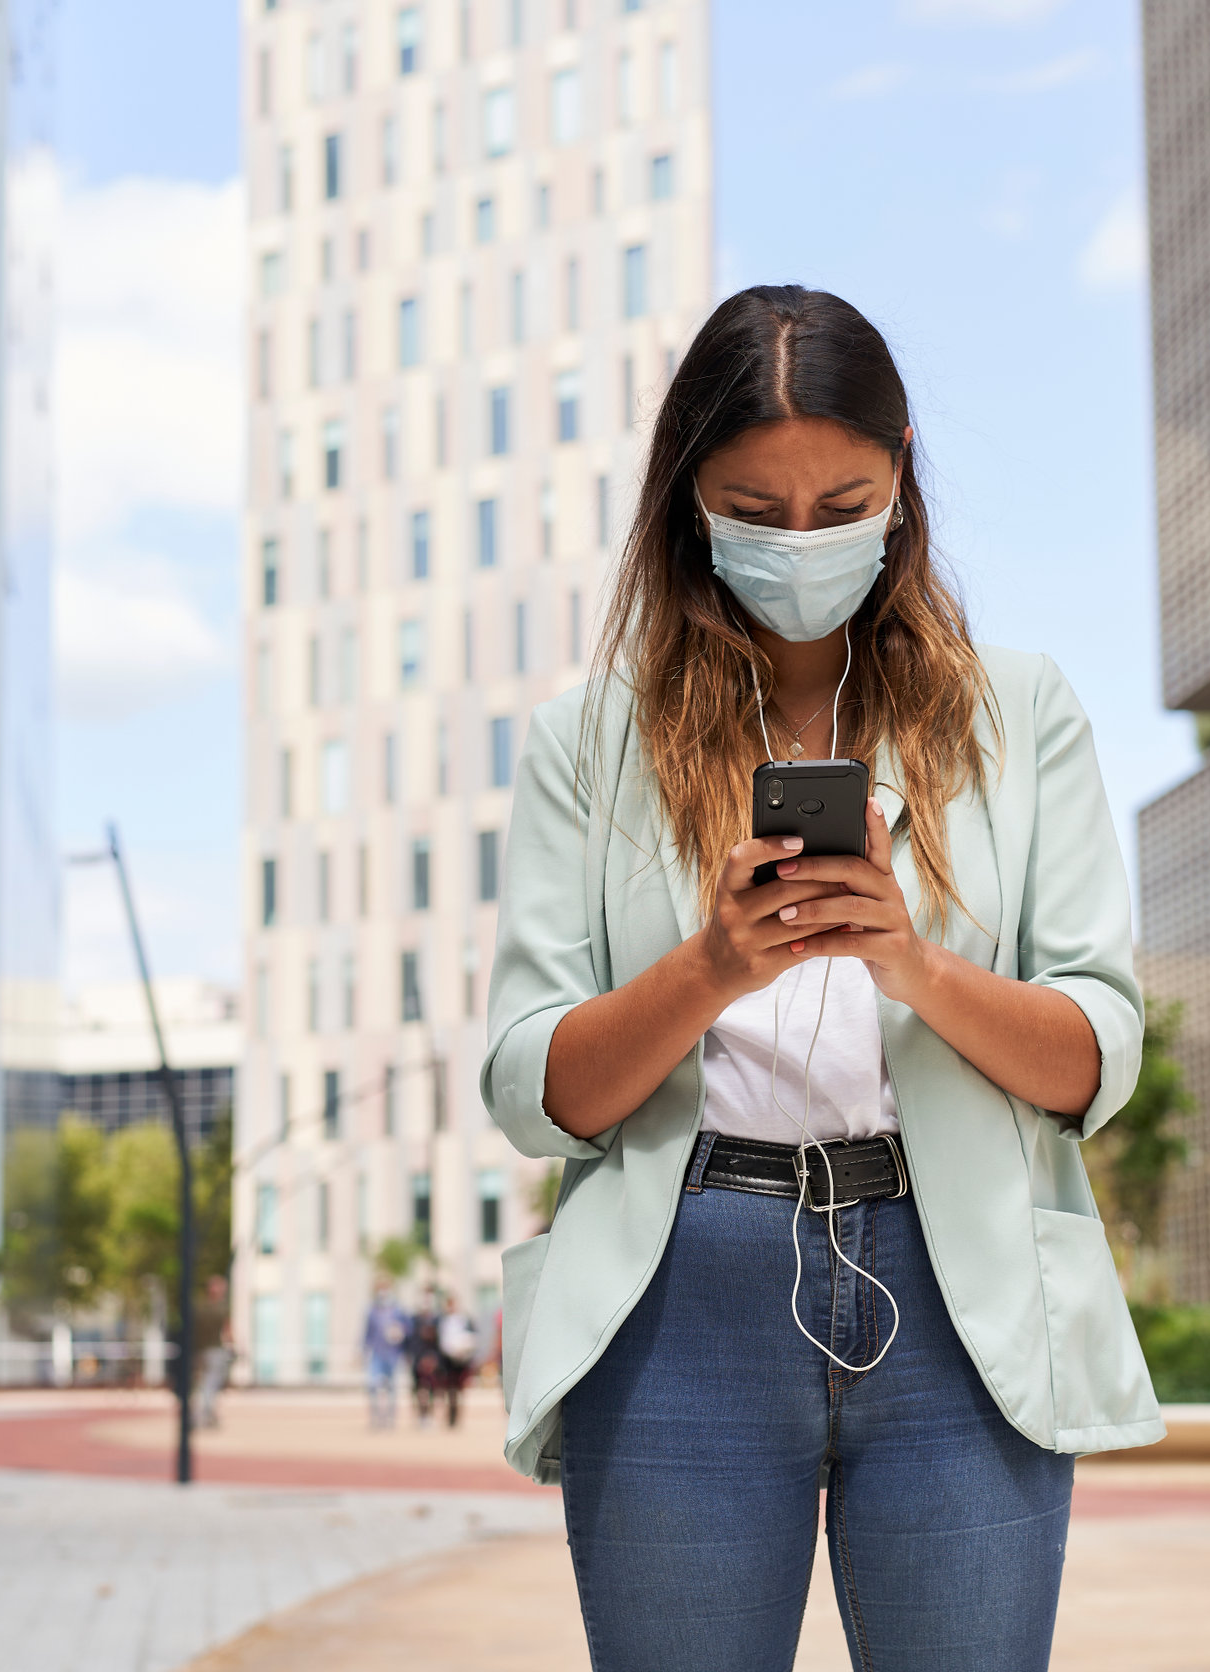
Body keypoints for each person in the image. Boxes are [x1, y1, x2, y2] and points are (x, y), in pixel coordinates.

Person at [482, 286, 1160, 1670]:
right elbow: (535, 1091)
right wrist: (711, 967)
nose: (805, 543)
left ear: (902, 470)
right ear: (689, 499)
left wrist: (908, 962)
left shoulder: (1019, 712)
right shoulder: (588, 745)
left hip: (953, 1279)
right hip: (683, 1293)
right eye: (758, 510)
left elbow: (1094, 1056)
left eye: (842, 502)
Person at [195, 1274, 237, 1430]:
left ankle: (204, 1414)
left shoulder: (199, 1306)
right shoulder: (221, 1308)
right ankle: (207, 1414)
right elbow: (228, 1330)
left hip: (200, 1351)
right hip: (214, 1351)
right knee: (211, 1384)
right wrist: (233, 1347)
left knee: (203, 1383)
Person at [362, 1282, 406, 1429]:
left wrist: (400, 1334)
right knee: (373, 1386)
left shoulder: (397, 1310)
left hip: (392, 1355)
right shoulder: (372, 1311)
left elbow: (407, 1329)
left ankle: (390, 1418)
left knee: (392, 1388)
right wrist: (362, 1351)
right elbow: (367, 1334)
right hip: (377, 1354)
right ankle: (375, 1417)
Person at [435, 1294, 478, 1430]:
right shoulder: (442, 1320)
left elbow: (473, 1336)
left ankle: (457, 1415)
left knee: (459, 1389)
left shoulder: (464, 1319)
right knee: (449, 1389)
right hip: (447, 1359)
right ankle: (450, 1414)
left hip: (461, 1359)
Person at [407, 1290, 446, 1428]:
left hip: (434, 1361)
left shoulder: (438, 1320)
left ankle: (431, 1415)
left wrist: (434, 1359)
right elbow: (410, 1341)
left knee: (434, 1391)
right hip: (418, 1361)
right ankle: (422, 1416)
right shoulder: (414, 1320)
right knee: (420, 1390)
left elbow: (441, 1342)